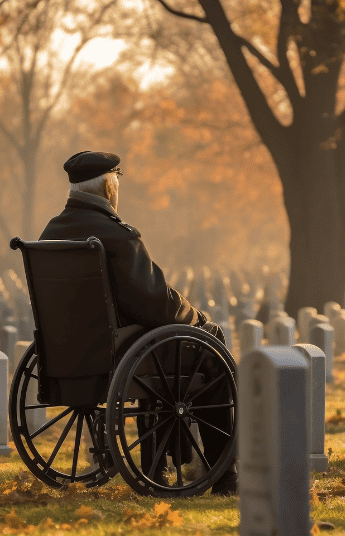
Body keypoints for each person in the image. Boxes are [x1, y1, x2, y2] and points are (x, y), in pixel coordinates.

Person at [39, 151, 237, 496]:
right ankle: (224, 476)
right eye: (117, 181)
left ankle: (156, 468)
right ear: (107, 186)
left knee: (160, 346)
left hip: (69, 353)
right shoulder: (116, 235)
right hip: (119, 353)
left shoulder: (49, 234)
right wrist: (200, 320)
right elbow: (156, 303)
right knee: (210, 347)